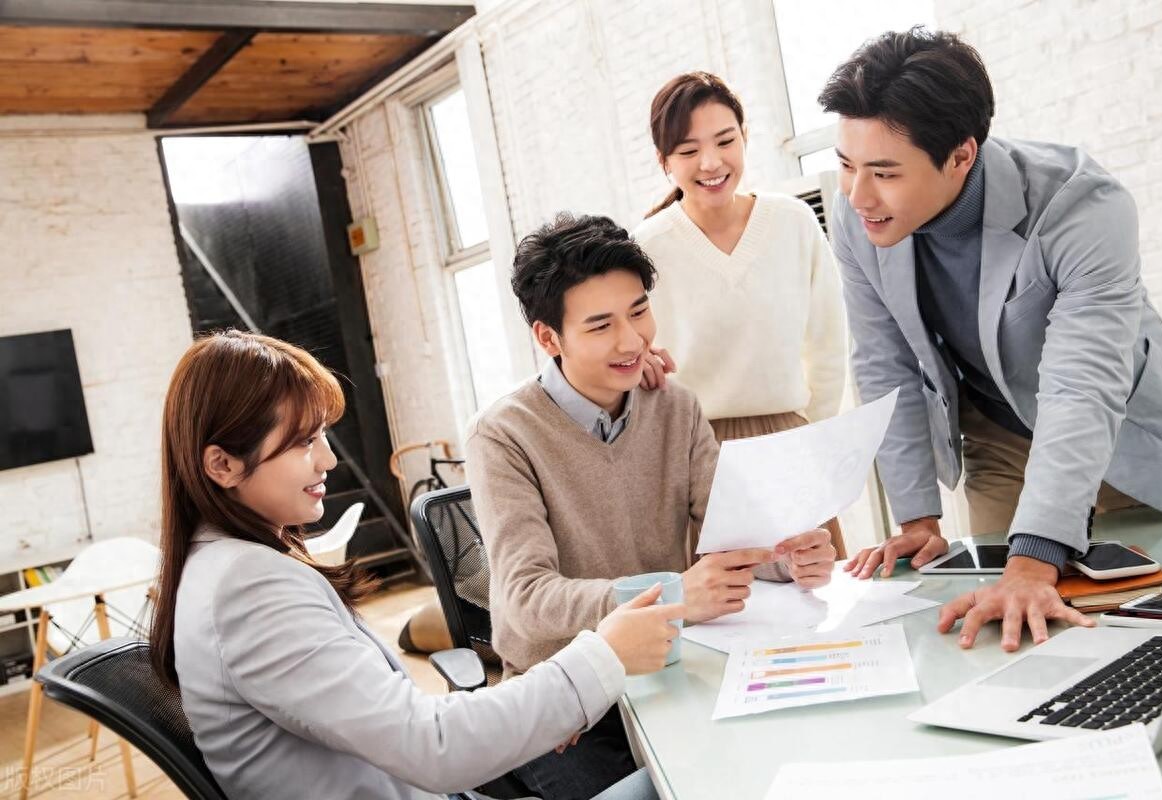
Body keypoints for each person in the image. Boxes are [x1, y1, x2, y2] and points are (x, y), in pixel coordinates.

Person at [149, 329, 683, 800]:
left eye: (322, 435)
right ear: (222, 464)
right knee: (677, 783)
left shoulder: (222, 567)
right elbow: (432, 745)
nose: (328, 459)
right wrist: (606, 656)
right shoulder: (247, 589)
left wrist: (546, 701)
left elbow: (402, 729)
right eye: (304, 442)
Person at [819, 28, 1162, 651]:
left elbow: (1082, 385)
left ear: (960, 156)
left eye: (884, 172)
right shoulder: (857, 216)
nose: (857, 195)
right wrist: (917, 516)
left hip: (1113, 438)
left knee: (1139, 632)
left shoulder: (1082, 205)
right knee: (1007, 627)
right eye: (845, 165)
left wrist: (1036, 557)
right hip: (993, 433)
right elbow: (885, 361)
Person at [467, 213, 837, 800]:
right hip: (567, 697)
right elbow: (525, 599)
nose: (631, 341)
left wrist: (787, 555)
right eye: (601, 325)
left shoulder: (674, 407)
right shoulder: (503, 435)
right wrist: (673, 594)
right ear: (549, 338)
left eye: (638, 311)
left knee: (788, 762)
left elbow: (730, 532)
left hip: (670, 670)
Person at [633, 71, 848, 557]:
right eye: (688, 150)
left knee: (812, 591)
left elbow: (829, 343)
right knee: (726, 598)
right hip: (698, 453)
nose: (710, 162)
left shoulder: (793, 221)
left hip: (790, 445)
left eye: (725, 141)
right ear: (664, 161)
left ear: (745, 137)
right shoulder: (647, 246)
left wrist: (807, 435)